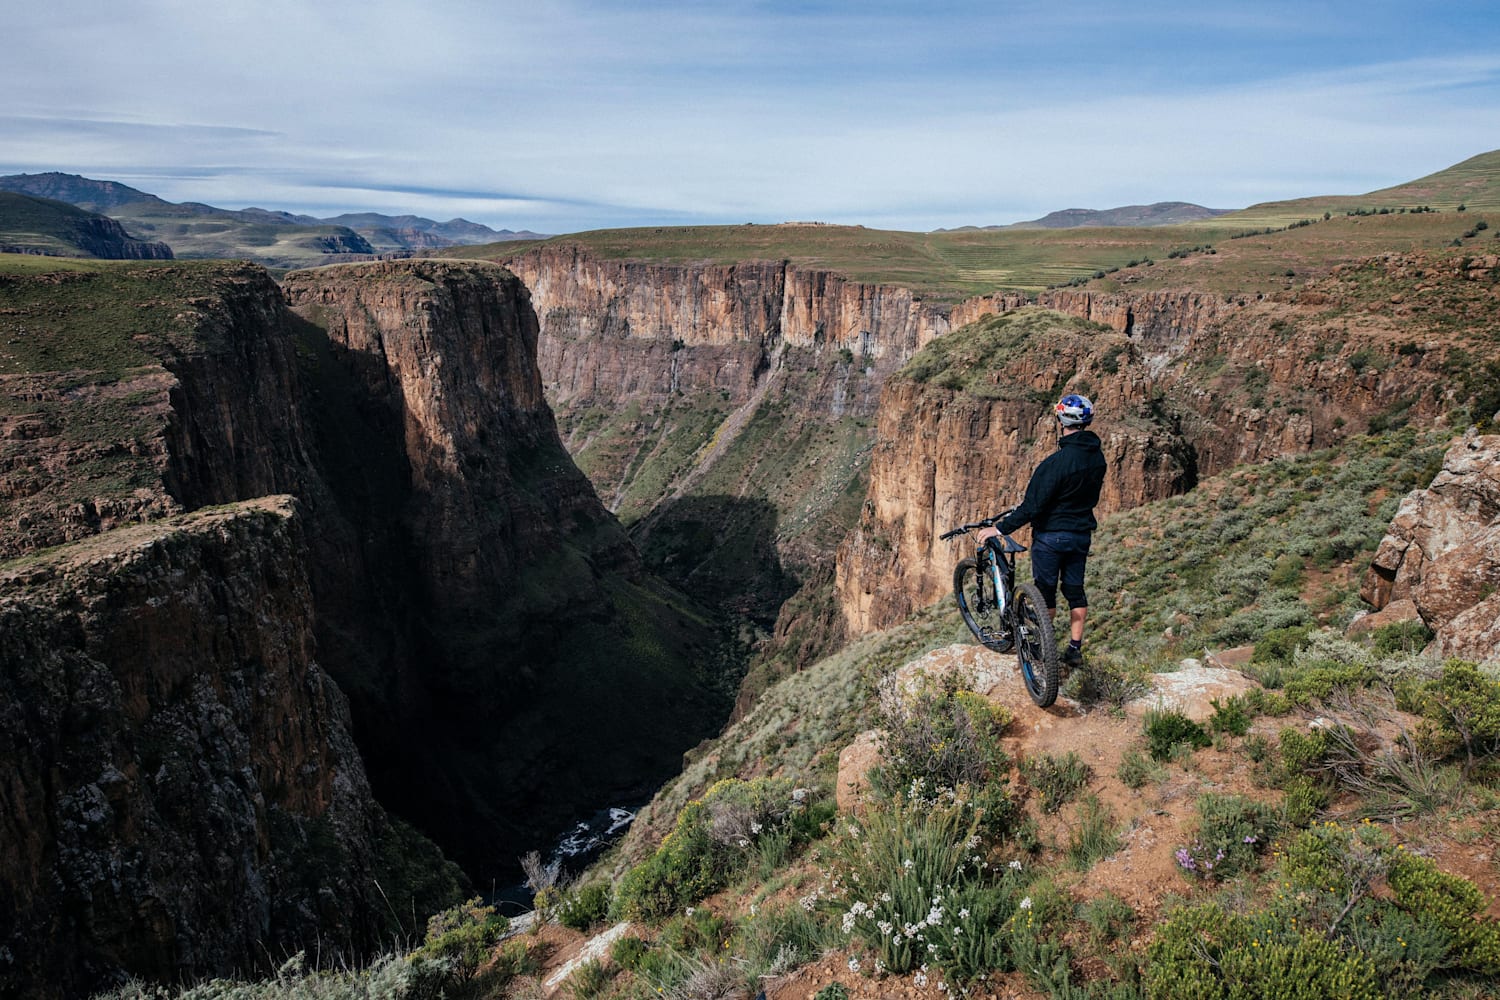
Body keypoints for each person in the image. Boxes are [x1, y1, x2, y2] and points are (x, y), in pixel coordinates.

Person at [977, 393, 1107, 665]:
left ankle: (1041, 645)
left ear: (1061, 420)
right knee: (1074, 590)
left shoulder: (1054, 464)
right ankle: (1074, 648)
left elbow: (1032, 507)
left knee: (1045, 592)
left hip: (1051, 537)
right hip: (1081, 534)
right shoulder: (1098, 459)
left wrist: (999, 529)